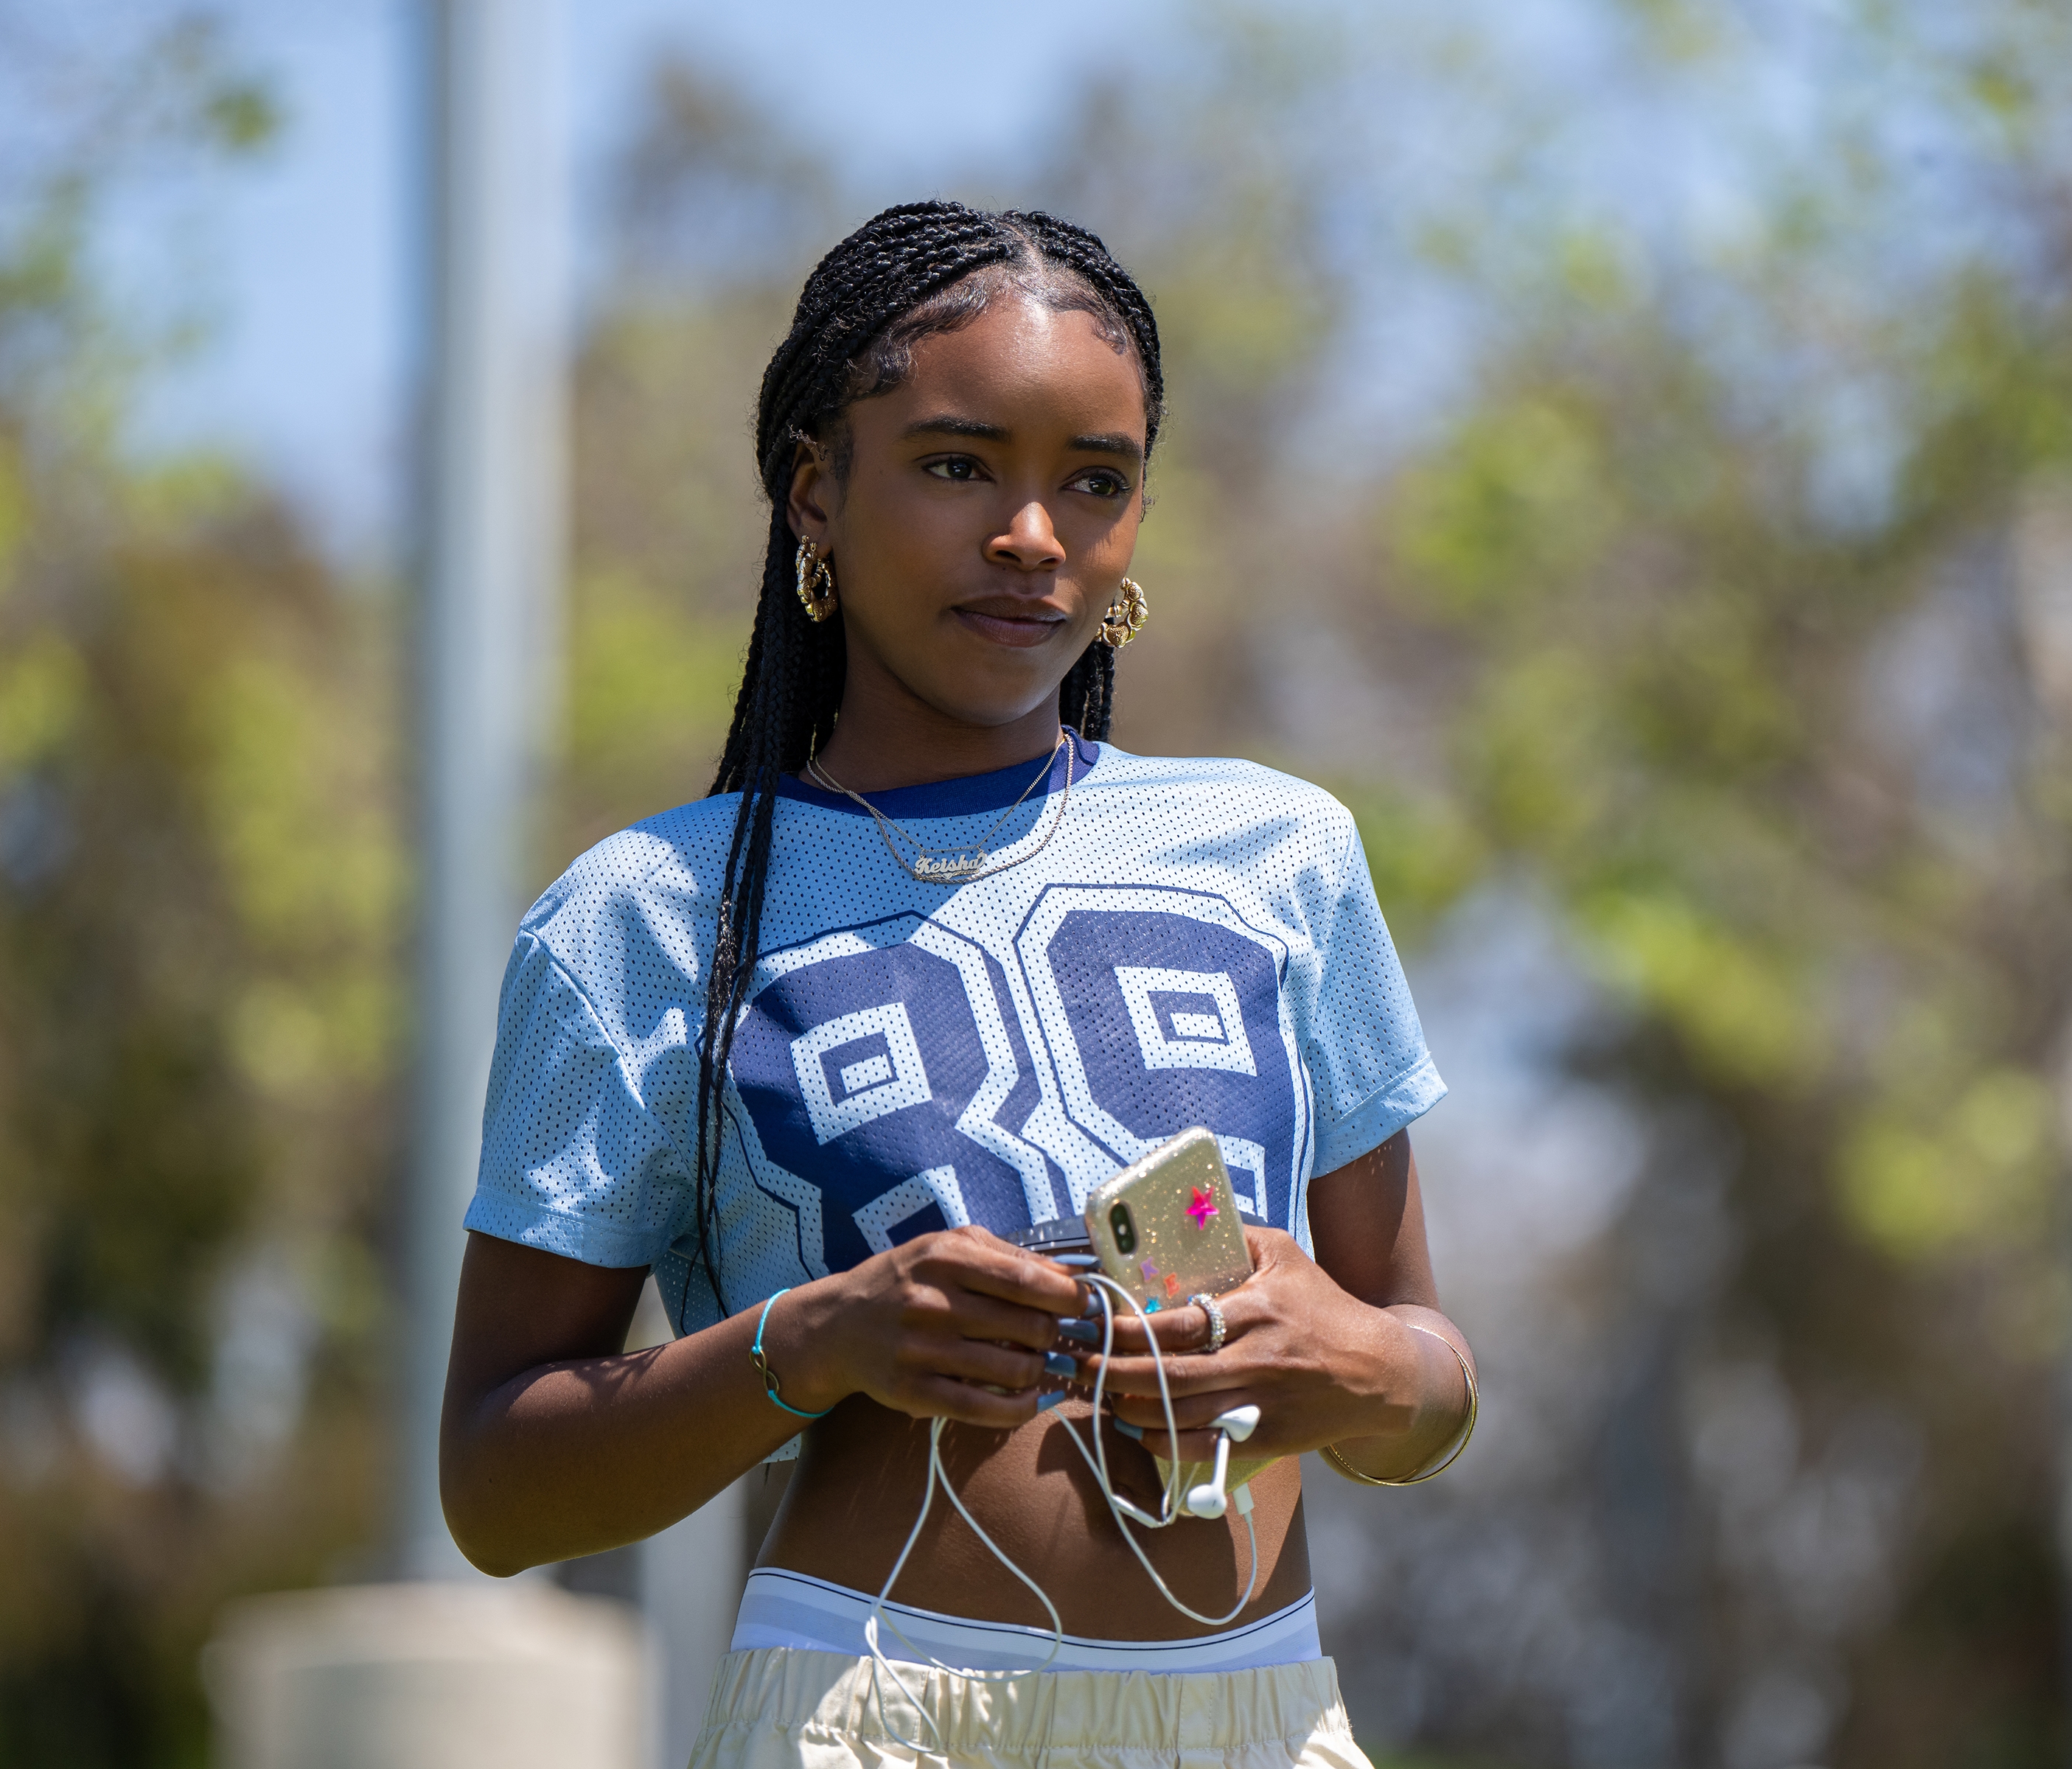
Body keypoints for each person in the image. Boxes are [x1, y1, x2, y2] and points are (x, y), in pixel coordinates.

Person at [439, 201, 1473, 1769]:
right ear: (814, 490)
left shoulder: (1279, 852)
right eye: (954, 464)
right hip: (867, 1721)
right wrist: (819, 1341)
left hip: (1267, 1719)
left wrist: (1353, 1362)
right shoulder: (647, 917)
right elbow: (498, 1488)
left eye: (1094, 481)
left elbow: (1427, 1372)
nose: (1031, 534)